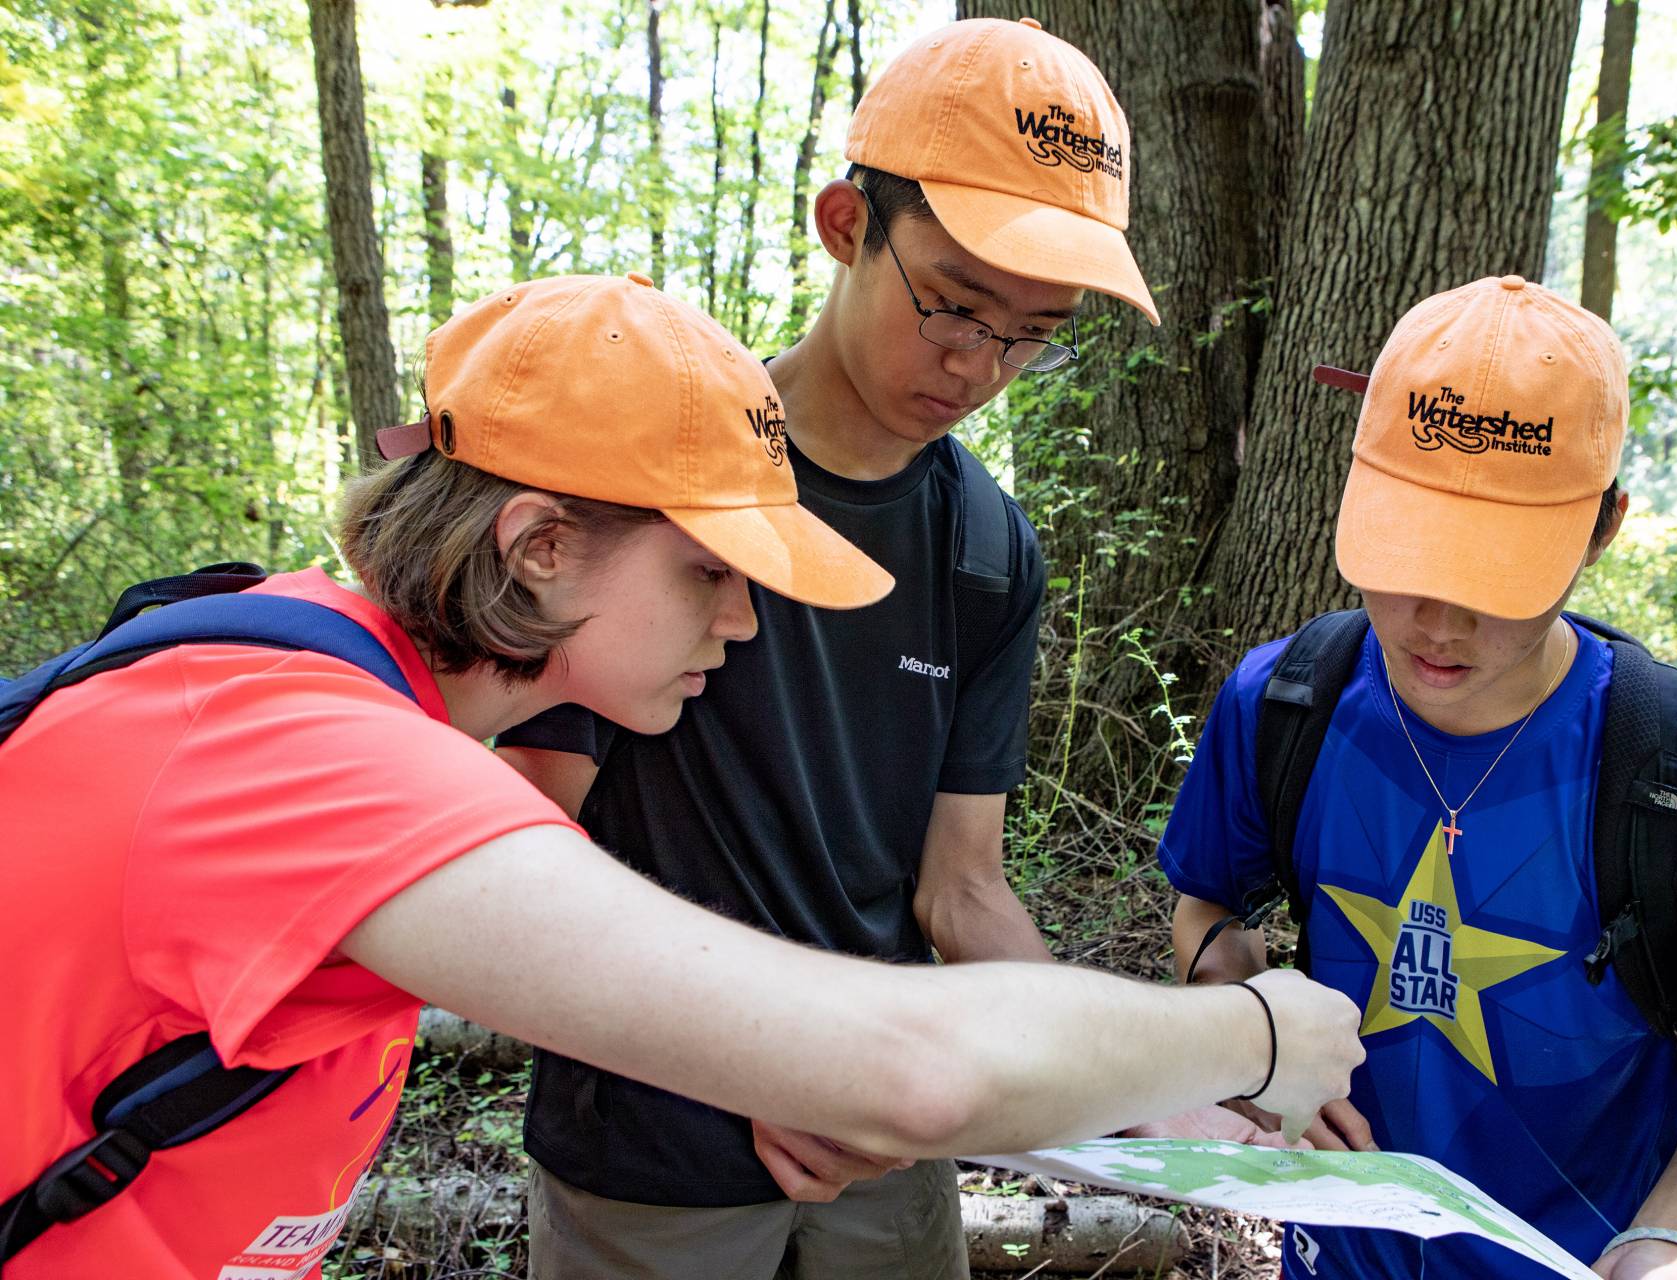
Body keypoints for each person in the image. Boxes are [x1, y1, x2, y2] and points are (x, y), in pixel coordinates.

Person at [0, 271, 1366, 1279]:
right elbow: (911, 1068)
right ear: (541, 545)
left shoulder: (345, 697)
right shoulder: (311, 762)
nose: (743, 622)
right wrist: (1254, 1036)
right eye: (711, 573)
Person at [493, 19, 1266, 1280]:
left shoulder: (982, 546)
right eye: (955, 302)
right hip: (653, 1150)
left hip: (885, 1151)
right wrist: (756, 1057)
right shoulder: (655, 468)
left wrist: (1148, 1085)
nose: (980, 364)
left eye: (1036, 329)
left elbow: (958, 892)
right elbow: (531, 843)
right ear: (848, 221)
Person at [1155, 276, 1677, 1278]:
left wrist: (1665, 1252)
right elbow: (1208, 896)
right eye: (1410, 543)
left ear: (1601, 528)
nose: (1441, 614)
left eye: (1499, 565)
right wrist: (1249, 1034)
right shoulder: (1286, 703)